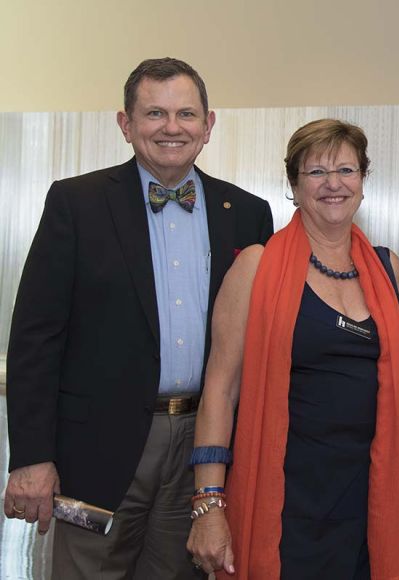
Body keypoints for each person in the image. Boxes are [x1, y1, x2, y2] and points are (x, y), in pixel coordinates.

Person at [3, 57, 273, 578]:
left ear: (208, 125)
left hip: (205, 444)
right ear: (126, 124)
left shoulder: (246, 212)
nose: (172, 128)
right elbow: (36, 337)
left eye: (186, 114)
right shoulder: (75, 203)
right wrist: (31, 457)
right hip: (97, 448)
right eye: (154, 113)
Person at [187, 119, 399, 579]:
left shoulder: (387, 268)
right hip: (286, 497)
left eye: (346, 170)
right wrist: (209, 504)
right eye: (316, 172)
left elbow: (382, 377)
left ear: (363, 180)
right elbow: (220, 390)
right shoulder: (255, 268)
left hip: (369, 495)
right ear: (293, 184)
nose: (333, 183)